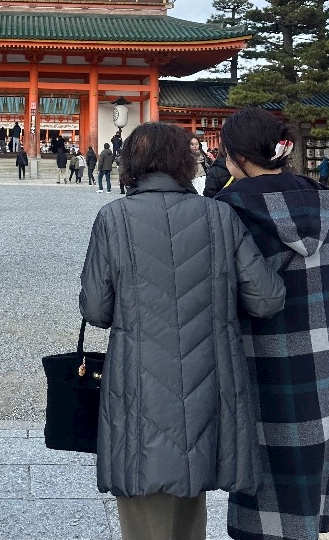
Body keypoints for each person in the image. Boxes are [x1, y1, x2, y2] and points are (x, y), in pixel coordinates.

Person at [80, 122, 285, 540]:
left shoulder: (113, 218)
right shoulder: (219, 216)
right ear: (184, 162)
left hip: (137, 382)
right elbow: (266, 299)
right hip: (206, 381)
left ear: (131, 163)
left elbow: (97, 310)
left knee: (143, 501)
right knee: (191, 489)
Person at [217, 107, 329, 540]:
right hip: (321, 336)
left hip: (263, 340)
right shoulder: (318, 198)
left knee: (262, 444)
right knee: (312, 437)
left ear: (238, 156)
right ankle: (304, 526)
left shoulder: (232, 206)